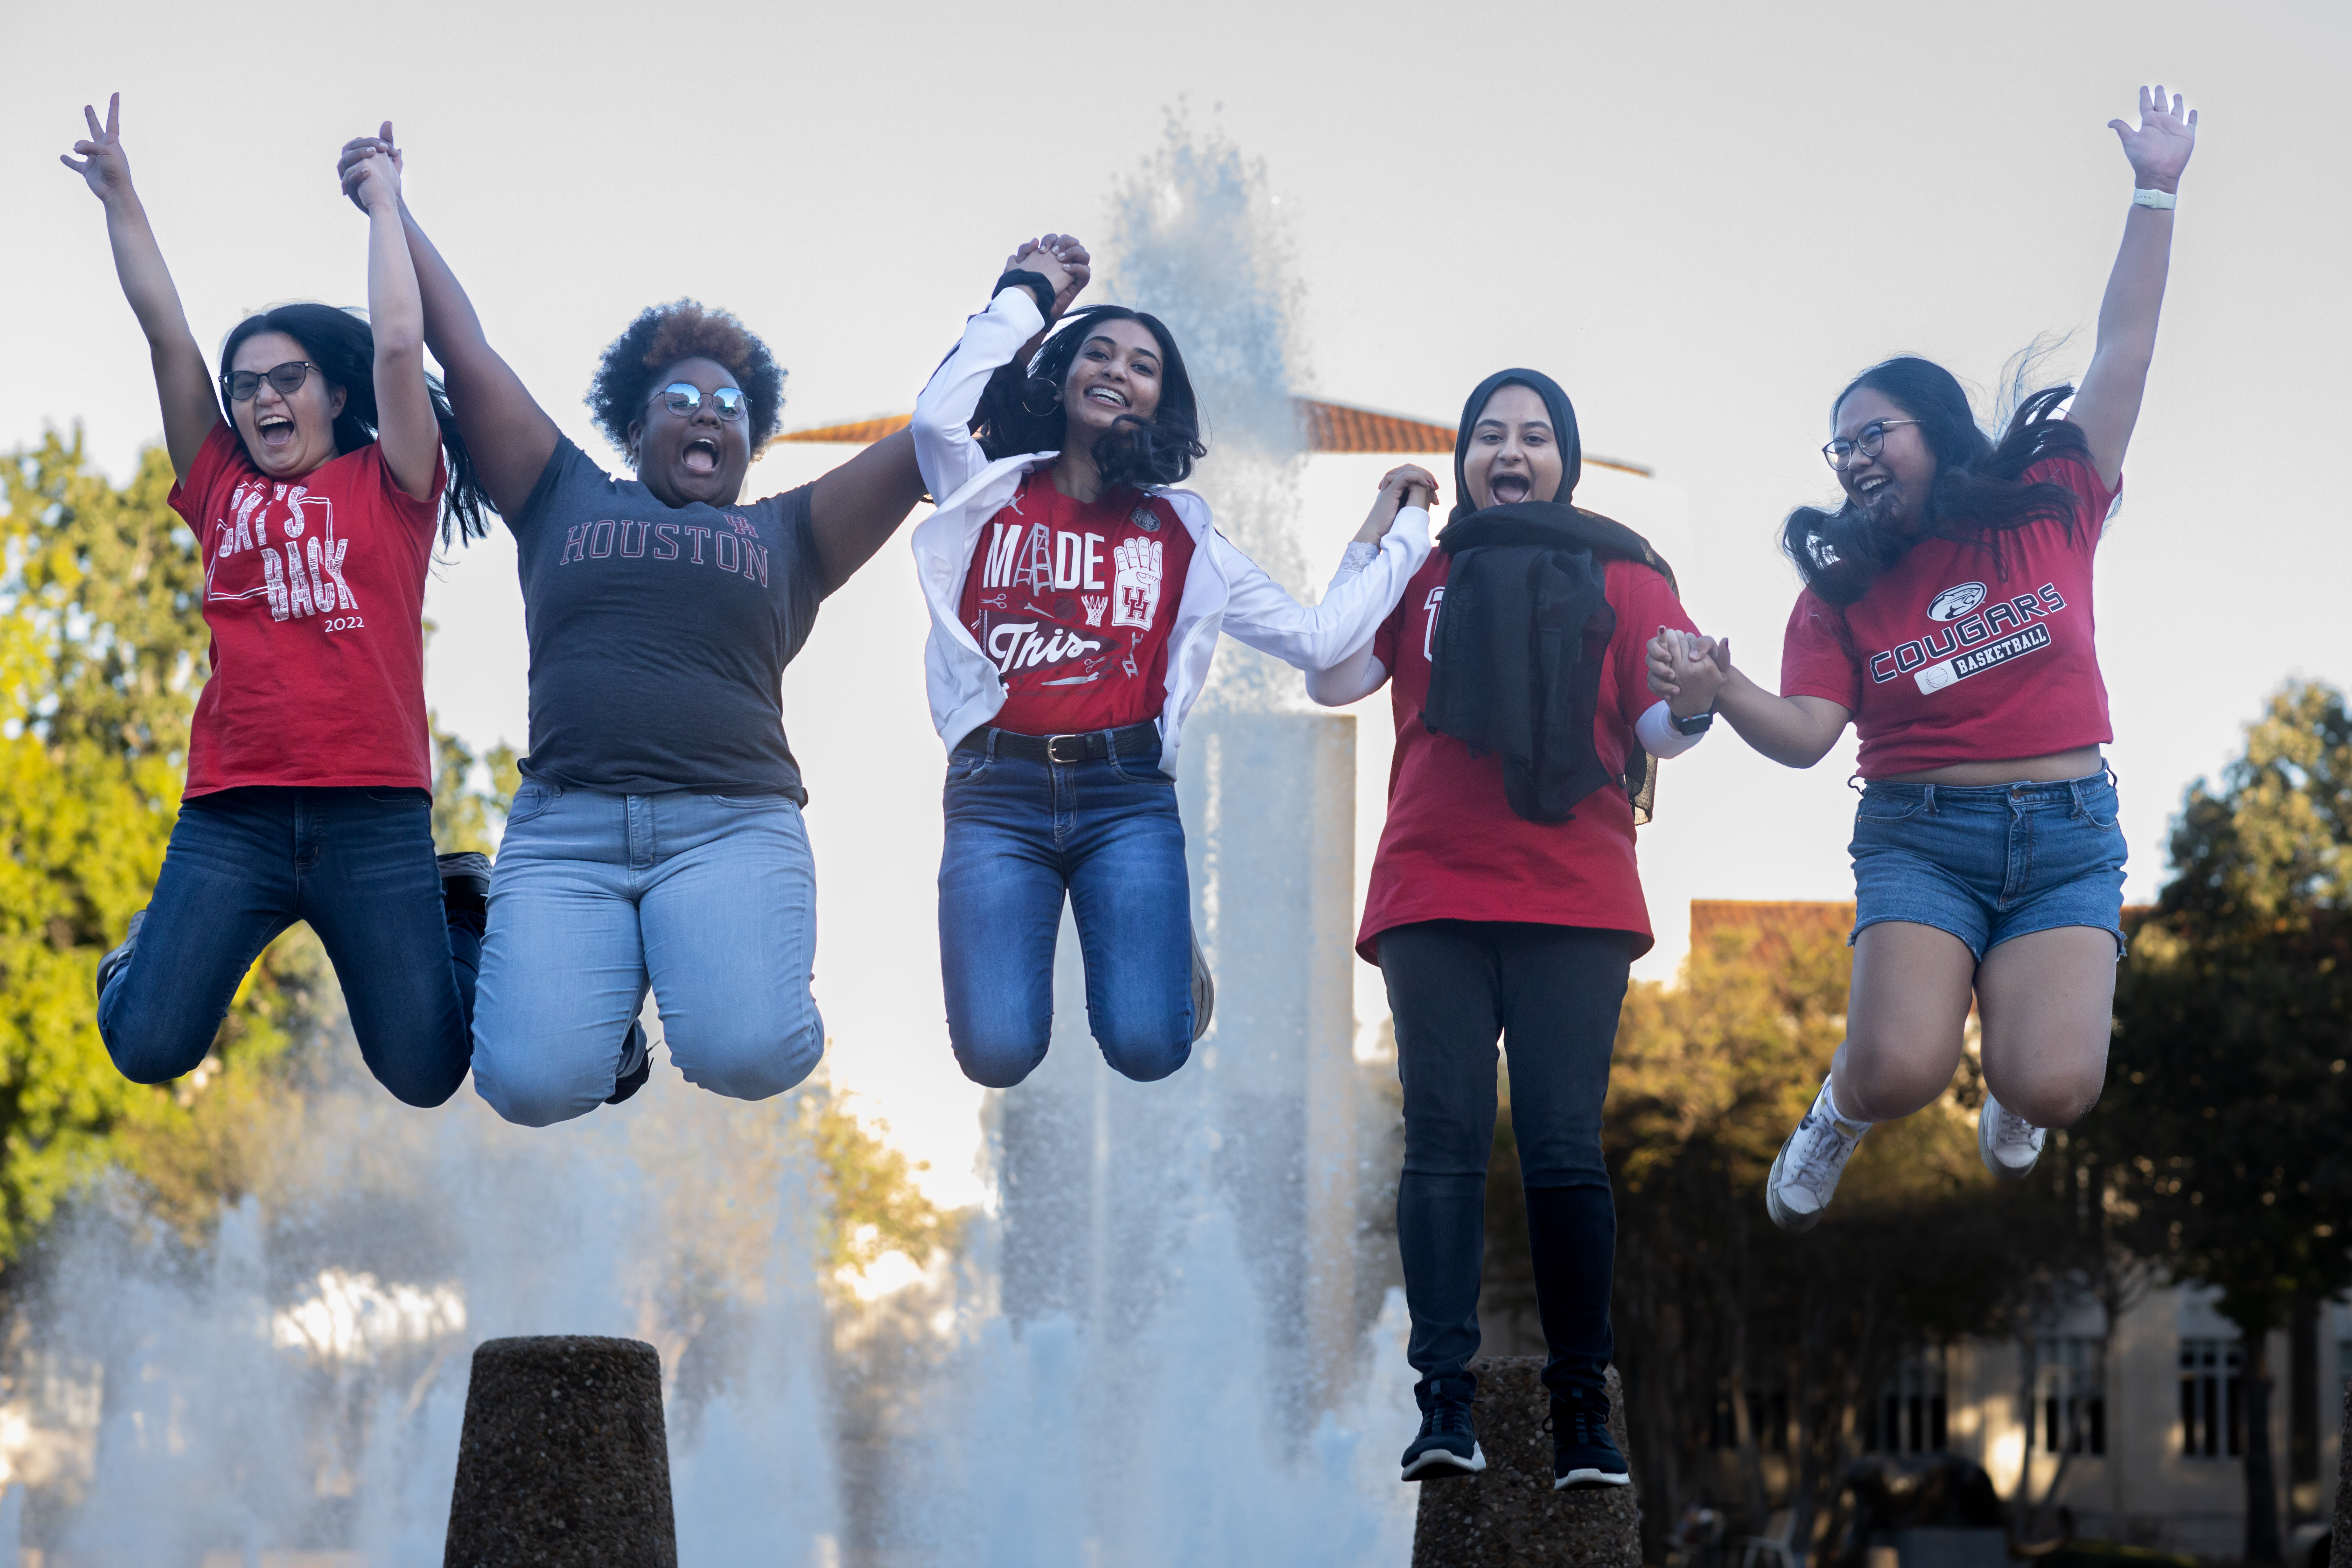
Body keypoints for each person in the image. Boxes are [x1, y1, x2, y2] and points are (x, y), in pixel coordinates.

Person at [1645, 87, 2198, 1231]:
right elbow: (1806, 737)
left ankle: (2018, 1082)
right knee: (1896, 1071)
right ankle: (1837, 1114)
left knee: (2053, 1086)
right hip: (1922, 837)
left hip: (2065, 831)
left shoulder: (2050, 501)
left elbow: (2125, 354)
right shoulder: (1843, 591)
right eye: (1837, 443)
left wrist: (2155, 189)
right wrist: (1724, 689)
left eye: (1871, 431)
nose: (1850, 456)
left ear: (1931, 429)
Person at [334, 124, 960, 1124]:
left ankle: (683, 965)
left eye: (732, 407)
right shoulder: (561, 491)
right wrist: (391, 206)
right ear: (636, 425)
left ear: (752, 443)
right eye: (682, 399)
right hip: (567, 831)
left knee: (750, 1051)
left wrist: (1026, 297)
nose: (710, 413)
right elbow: (464, 348)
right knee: (530, 1088)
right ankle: (518, 945)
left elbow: (937, 429)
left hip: (729, 828)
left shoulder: (792, 533)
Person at [1306, 368, 1713, 1492]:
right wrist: (1375, 536)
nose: (1512, 451)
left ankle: (1585, 1404)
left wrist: (1696, 696)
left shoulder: (1622, 571)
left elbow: (1659, 728)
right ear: (1465, 460)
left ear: (1564, 458)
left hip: (1573, 899)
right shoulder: (1424, 570)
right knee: (1438, 1145)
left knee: (1562, 1151)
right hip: (1433, 892)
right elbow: (1330, 670)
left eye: (1535, 435)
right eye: (1490, 434)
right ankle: (1445, 1400)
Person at [908, 242, 1430, 1088]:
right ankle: (1139, 931)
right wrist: (1027, 295)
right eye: (1099, 353)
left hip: (1125, 796)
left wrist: (1395, 533)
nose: (1118, 370)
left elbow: (1317, 638)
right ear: (1064, 375)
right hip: (993, 795)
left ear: (1161, 400)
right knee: (996, 1055)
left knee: (1151, 1048)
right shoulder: (989, 487)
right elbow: (935, 418)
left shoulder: (1179, 529)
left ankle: (1161, 943)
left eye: (1143, 366)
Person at [65, 97, 497, 1106]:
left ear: (331, 396)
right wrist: (122, 197)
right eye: (247, 382)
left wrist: (385, 204)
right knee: (147, 1047)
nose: (263, 397)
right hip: (235, 812)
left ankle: (462, 917)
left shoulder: (392, 484)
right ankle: (151, 952)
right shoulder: (219, 483)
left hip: (373, 814)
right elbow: (167, 336)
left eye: (287, 378)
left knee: (427, 1074)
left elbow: (400, 346)